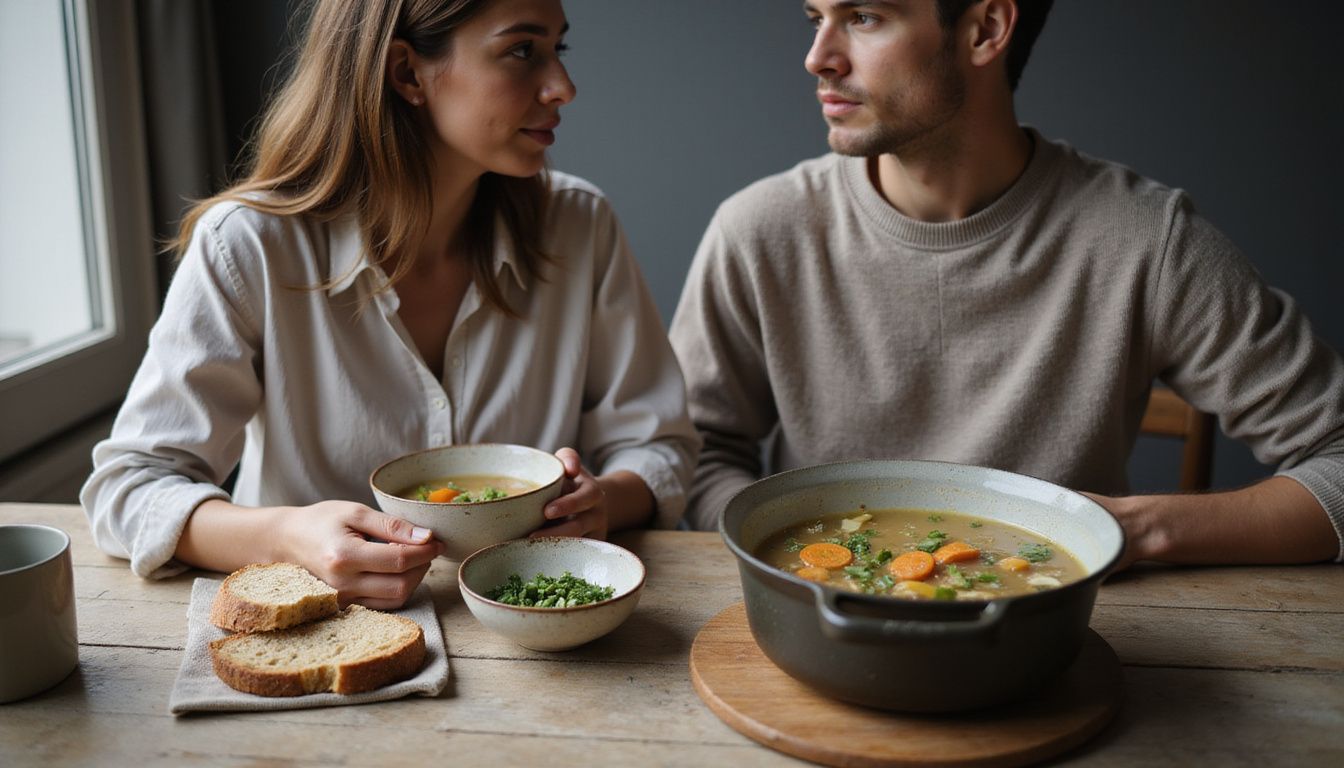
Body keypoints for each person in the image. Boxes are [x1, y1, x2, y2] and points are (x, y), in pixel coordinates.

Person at [668, 0, 1344, 567]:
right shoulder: (760, 229)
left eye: (864, 17)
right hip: (813, 631)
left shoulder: (1146, 239)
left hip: (1063, 649)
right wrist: (802, 562)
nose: (818, 57)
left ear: (986, 29)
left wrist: (1141, 531)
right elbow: (694, 454)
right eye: (814, 16)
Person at [81, 0, 699, 608]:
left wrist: (598, 504)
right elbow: (127, 489)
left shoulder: (579, 226)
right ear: (408, 72)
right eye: (521, 51)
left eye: (557, 49)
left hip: (546, 647)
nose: (562, 86)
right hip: (319, 648)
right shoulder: (248, 246)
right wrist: (285, 538)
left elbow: (660, 445)